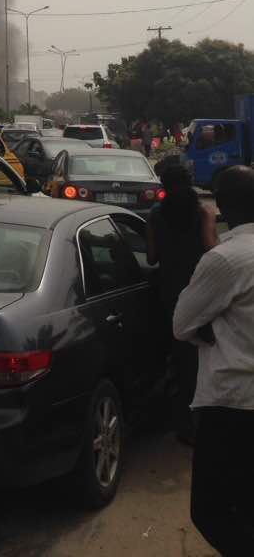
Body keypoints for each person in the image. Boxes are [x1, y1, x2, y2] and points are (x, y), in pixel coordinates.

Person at [174, 165, 254, 555]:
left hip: (231, 404)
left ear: (219, 206)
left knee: (209, 510)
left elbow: (181, 324)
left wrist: (210, 325)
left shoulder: (224, 260)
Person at [147, 163, 217, 442]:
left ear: (163, 186)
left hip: (171, 294)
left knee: (180, 359)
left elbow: (151, 258)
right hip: (201, 291)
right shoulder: (202, 212)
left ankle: (183, 425)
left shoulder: (155, 214)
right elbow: (213, 250)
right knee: (203, 357)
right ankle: (205, 421)